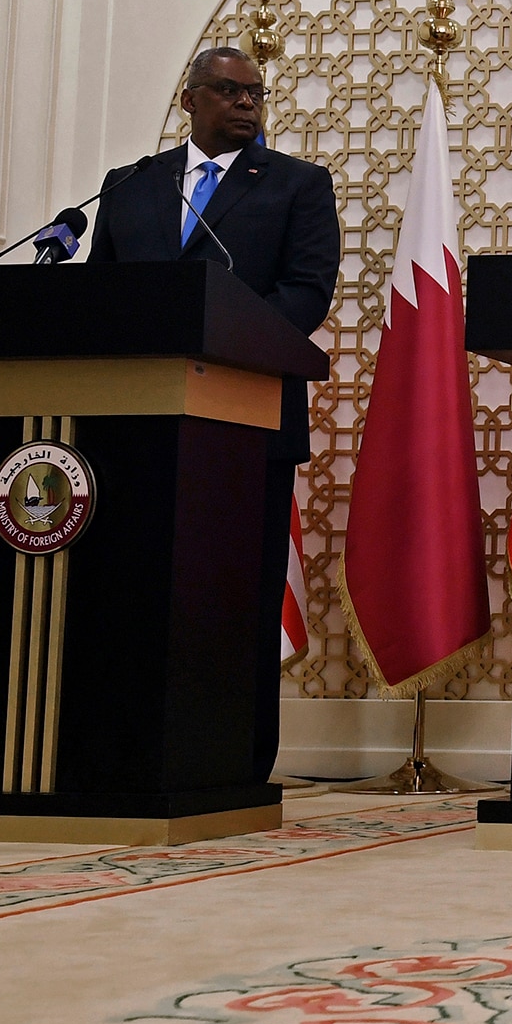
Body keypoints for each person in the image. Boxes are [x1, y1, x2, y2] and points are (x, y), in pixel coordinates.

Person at [87, 46, 339, 786]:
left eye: (255, 94)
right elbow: (100, 295)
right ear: (190, 99)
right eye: (228, 91)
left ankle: (231, 762)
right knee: (131, 593)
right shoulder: (130, 186)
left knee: (234, 603)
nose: (246, 105)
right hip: (133, 429)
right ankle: (122, 754)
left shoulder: (296, 185)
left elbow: (307, 293)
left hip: (244, 427)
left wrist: (218, 336)